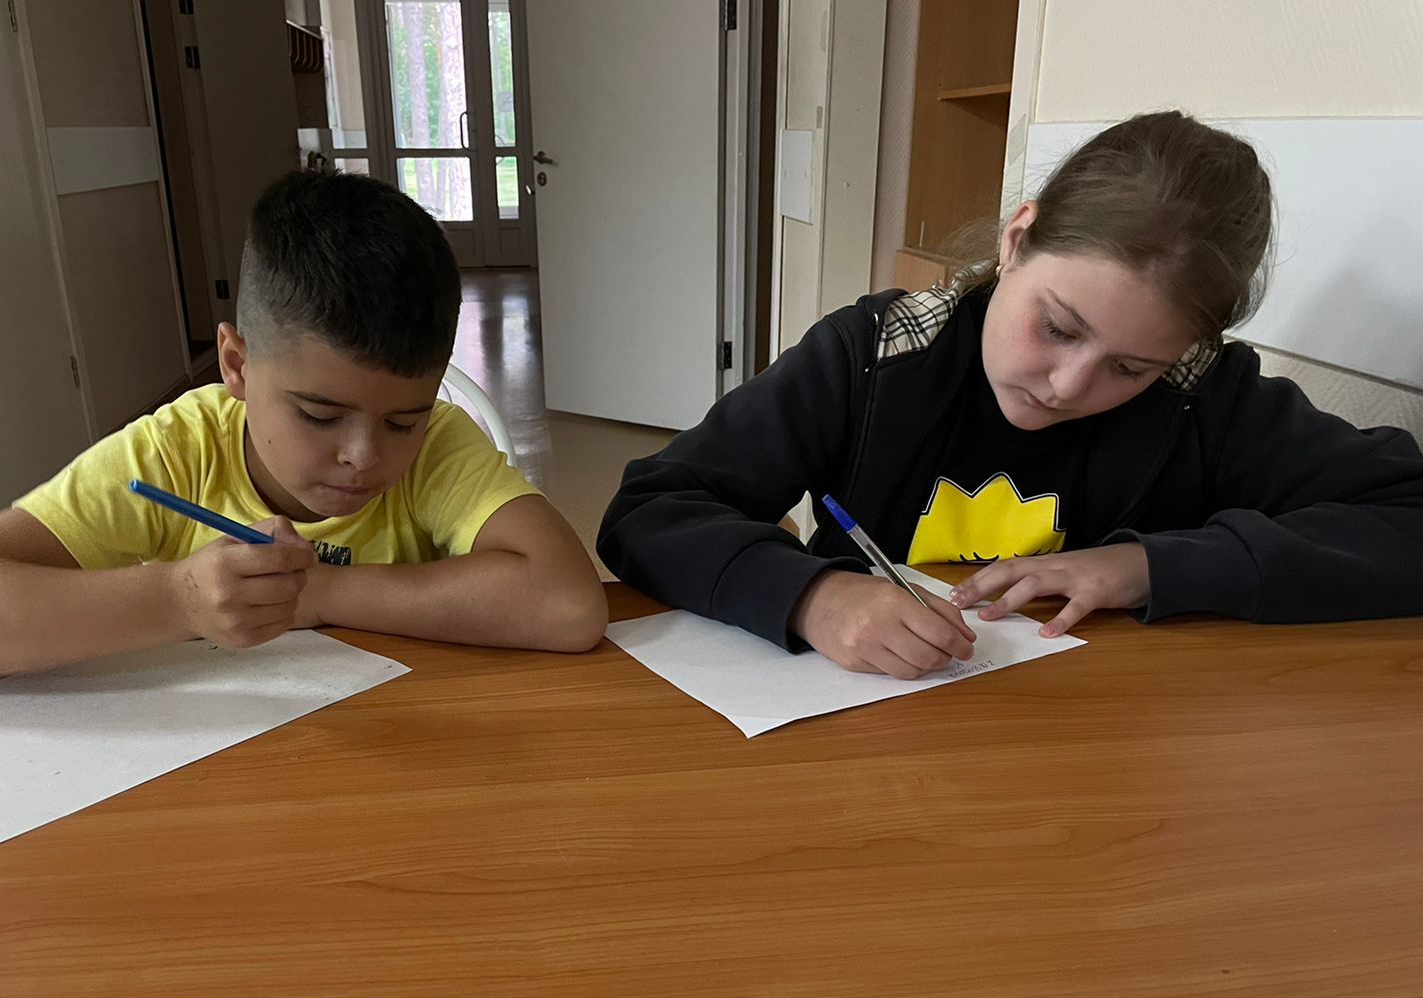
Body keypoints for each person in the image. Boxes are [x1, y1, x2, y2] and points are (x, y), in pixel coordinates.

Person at [599, 110, 1423, 680]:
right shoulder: (875, 356)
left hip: (1092, 757)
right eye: (1058, 328)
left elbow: (1406, 516)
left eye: (1131, 369)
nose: (1068, 386)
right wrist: (812, 595)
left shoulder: (1205, 397)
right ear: (1017, 240)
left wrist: (1150, 567)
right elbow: (651, 509)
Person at [0, 170, 606, 677]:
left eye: (403, 422)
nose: (363, 455)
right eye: (319, 415)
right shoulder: (177, 451)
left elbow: (568, 607)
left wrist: (317, 593)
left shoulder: (439, 447)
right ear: (237, 365)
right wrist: (177, 599)